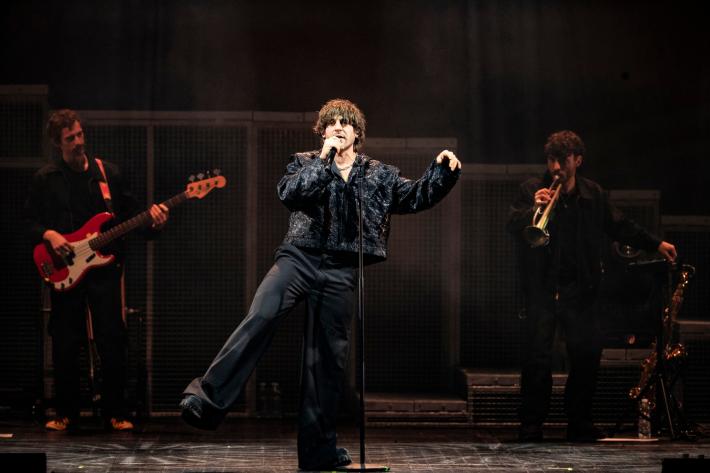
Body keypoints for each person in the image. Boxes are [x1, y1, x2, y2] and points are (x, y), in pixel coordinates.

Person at [180, 98, 461, 470]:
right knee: (262, 313)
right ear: (323, 132)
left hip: (341, 268)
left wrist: (442, 172)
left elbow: (415, 196)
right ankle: (206, 398)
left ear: (357, 133)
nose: (339, 127)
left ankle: (318, 453)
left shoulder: (378, 173)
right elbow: (290, 193)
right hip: (299, 257)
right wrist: (324, 161)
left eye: (346, 123)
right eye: (332, 123)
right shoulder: (304, 162)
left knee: (326, 360)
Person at [507, 130, 677, 442]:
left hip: (581, 291)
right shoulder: (531, 189)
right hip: (542, 290)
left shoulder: (593, 194)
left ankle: (580, 423)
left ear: (578, 160)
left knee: (586, 358)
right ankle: (531, 425)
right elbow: (511, 224)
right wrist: (533, 209)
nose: (556, 167)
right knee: (537, 360)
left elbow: (620, 225)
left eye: (563, 160)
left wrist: (656, 243)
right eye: (551, 159)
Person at [24, 109, 169, 431]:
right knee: (65, 341)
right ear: (58, 143)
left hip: (104, 271)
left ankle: (116, 412)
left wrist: (155, 223)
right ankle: (66, 413)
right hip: (66, 269)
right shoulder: (46, 179)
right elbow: (28, 222)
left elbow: (132, 218)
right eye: (70, 138)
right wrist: (50, 234)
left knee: (112, 338)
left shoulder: (108, 174)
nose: (78, 142)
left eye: (79, 134)